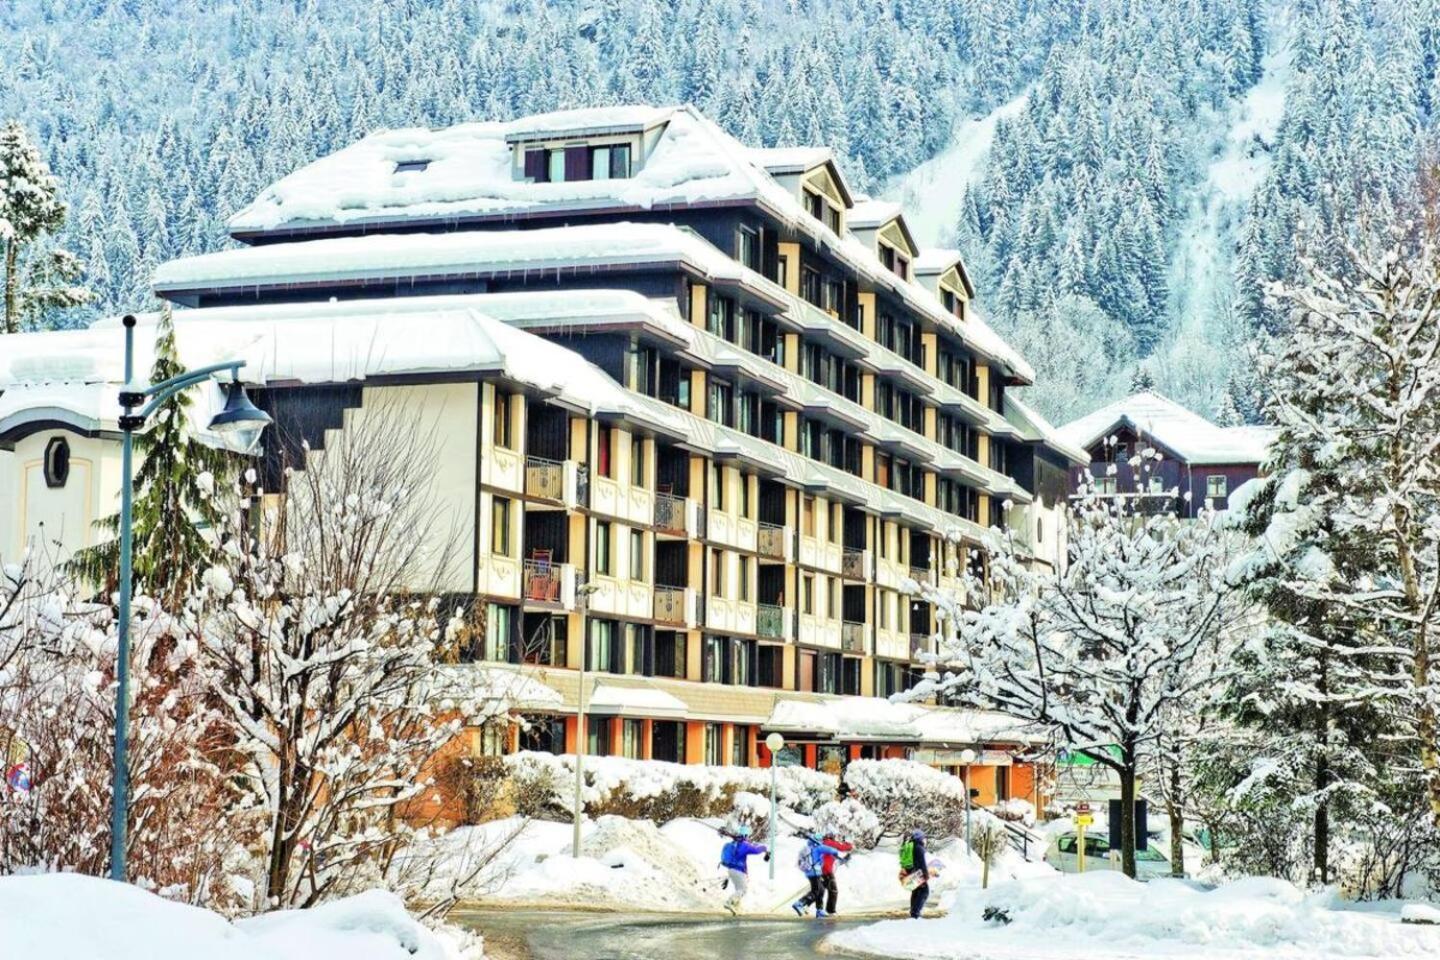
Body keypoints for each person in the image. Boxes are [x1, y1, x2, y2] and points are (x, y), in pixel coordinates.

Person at [792, 833, 847, 918]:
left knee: (821, 890)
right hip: (815, 872)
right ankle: (800, 903)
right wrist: (835, 853)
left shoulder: (806, 848)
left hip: (810, 872)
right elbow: (832, 850)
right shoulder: (819, 847)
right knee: (816, 891)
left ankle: (819, 910)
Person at [718, 825, 769, 915]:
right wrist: (764, 848)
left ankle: (737, 908)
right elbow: (756, 850)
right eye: (748, 835)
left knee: (739, 889)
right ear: (746, 835)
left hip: (731, 869)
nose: (749, 837)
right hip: (739, 870)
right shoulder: (744, 845)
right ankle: (729, 902)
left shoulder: (735, 843)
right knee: (743, 889)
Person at [817, 833, 853, 915]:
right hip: (827, 871)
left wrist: (844, 859)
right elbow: (844, 847)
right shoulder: (829, 843)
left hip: (822, 870)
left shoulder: (824, 844)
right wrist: (849, 843)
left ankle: (804, 903)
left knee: (820, 890)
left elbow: (834, 860)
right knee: (833, 891)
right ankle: (831, 911)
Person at [899, 828, 930, 918]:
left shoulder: (909, 845)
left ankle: (913, 912)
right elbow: (922, 863)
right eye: (923, 838)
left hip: (910, 871)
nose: (924, 840)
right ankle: (915, 913)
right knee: (924, 891)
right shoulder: (918, 847)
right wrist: (925, 875)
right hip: (918, 872)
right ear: (920, 838)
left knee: (916, 891)